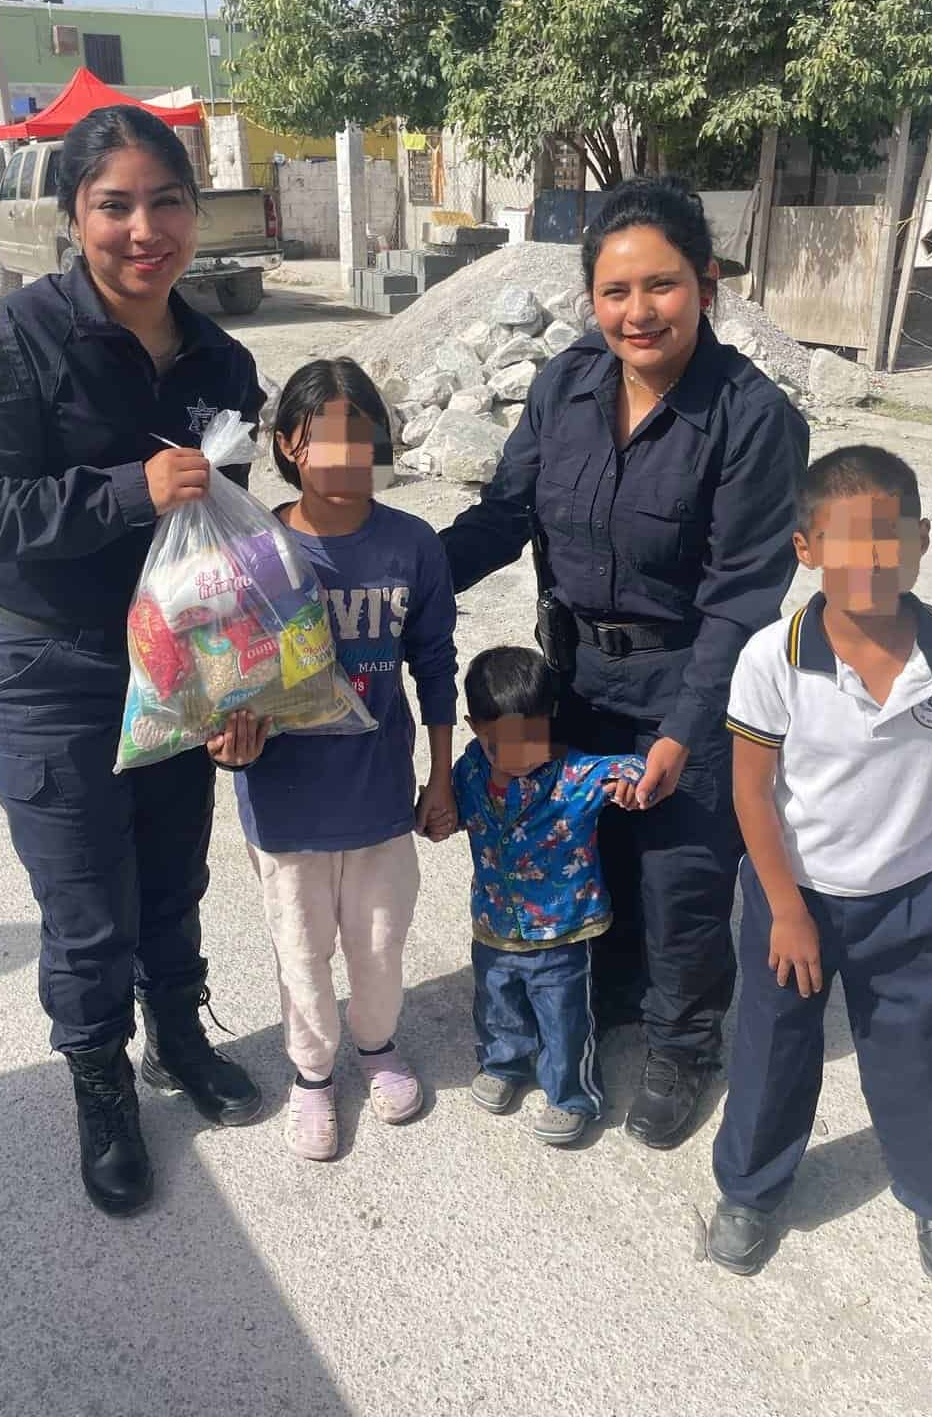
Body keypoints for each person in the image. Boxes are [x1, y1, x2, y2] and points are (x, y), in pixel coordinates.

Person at [0, 105, 267, 1217]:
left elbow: (227, 539)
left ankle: (178, 1033)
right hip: (50, 663)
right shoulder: (6, 343)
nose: (144, 229)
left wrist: (239, 683)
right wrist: (128, 487)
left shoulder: (223, 361)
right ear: (74, 214)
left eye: (166, 200)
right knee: (86, 903)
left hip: (175, 664)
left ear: (194, 207)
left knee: (174, 874)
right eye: (114, 204)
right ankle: (101, 1085)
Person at [441, 177, 809, 1151]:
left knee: (683, 875)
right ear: (590, 296)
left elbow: (741, 598)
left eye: (662, 285)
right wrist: (404, 573)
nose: (637, 311)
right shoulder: (565, 385)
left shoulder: (751, 418)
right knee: (590, 850)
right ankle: (611, 990)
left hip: (695, 682)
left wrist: (685, 732)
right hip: (575, 678)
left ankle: (686, 1040)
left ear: (707, 283)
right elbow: (503, 514)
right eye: (615, 291)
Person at [708, 446, 932, 1290]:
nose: (870, 563)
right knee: (774, 1049)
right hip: (797, 897)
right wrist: (783, 907)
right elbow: (751, 794)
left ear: (922, 540)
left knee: (924, 1054)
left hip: (917, 897)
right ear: (807, 550)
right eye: (845, 545)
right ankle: (751, 1190)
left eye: (889, 542)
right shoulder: (773, 658)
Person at [212, 358, 458, 1162]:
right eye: (328, 439)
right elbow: (224, 673)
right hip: (286, 807)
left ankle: (378, 1045)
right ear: (289, 445)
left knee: (380, 942)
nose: (349, 456)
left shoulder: (412, 545)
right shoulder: (256, 547)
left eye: (365, 437)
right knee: (301, 947)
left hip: (382, 798)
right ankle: (313, 1075)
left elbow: (435, 663)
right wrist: (227, 740)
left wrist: (441, 774)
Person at [453, 646, 645, 1144]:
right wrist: (433, 815)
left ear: (549, 721)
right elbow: (449, 810)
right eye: (501, 746)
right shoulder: (470, 771)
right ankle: (505, 1063)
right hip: (494, 923)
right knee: (497, 1004)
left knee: (565, 1019)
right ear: (475, 727)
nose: (516, 759)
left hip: (563, 934)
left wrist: (631, 780)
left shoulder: (575, 776)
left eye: (529, 742)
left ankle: (572, 1096)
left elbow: (632, 767)